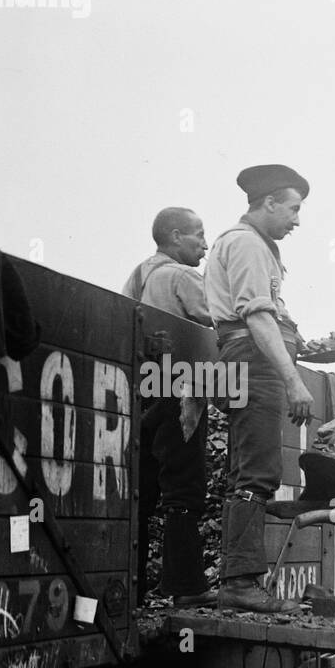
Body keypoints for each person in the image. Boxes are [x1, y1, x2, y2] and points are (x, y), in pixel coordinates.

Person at [203, 165, 315, 613]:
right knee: (258, 472)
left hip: (248, 359)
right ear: (267, 203)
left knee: (246, 469)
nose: (297, 220)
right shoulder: (247, 244)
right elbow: (256, 317)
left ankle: (239, 578)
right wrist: (295, 381)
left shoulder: (254, 245)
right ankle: (241, 584)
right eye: (293, 208)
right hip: (254, 362)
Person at [121, 208, 216, 608]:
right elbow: (222, 319)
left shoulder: (139, 274)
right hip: (180, 391)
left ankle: (134, 590)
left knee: (141, 493)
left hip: (143, 393)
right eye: (198, 236)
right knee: (185, 489)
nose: (205, 245)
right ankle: (186, 586)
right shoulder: (183, 276)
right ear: (175, 237)